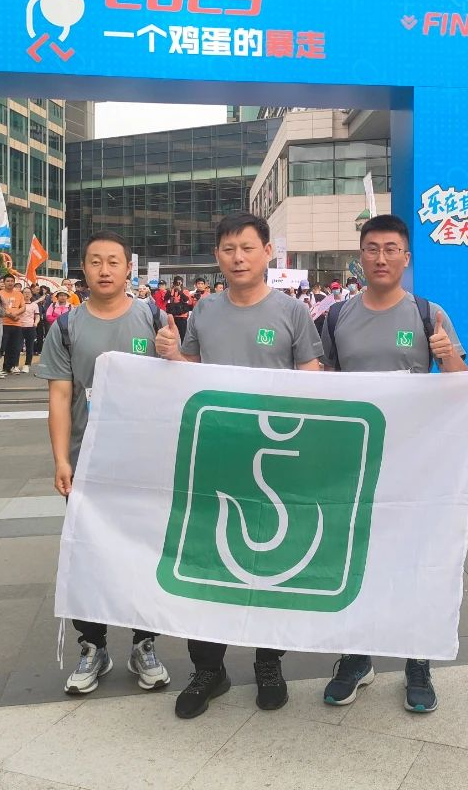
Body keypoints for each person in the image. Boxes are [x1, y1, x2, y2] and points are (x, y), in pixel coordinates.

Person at [156, 212, 323, 720]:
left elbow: (312, 376)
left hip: (274, 461)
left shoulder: (293, 312)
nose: (238, 257)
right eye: (228, 249)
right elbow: (189, 374)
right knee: (206, 561)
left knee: (270, 563)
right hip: (214, 456)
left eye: (247, 248)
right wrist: (171, 354)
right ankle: (208, 668)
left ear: (267, 252)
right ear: (217, 256)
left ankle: (268, 663)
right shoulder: (204, 310)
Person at [319, 214, 468, 714]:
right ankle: (356, 657)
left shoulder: (428, 314)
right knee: (354, 556)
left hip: (414, 464)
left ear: (406, 257)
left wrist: (447, 357)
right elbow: (321, 385)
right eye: (372, 249)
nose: (380, 258)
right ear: (359, 257)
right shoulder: (336, 317)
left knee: (413, 559)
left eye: (391, 249)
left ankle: (416, 661)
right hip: (353, 461)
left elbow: (464, 383)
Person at [34, 230, 172, 696]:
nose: (105, 270)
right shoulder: (67, 326)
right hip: (87, 462)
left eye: (114, 261)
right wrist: (60, 459)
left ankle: (143, 643)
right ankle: (93, 646)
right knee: (88, 554)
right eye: (96, 261)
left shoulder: (152, 317)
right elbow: (60, 396)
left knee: (144, 553)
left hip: (144, 463)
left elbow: (177, 379)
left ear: (129, 268)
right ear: (84, 268)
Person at [0, 275, 27, 375]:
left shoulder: (19, 294)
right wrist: (10, 315)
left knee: (14, 347)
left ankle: (11, 366)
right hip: (3, 323)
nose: (10, 283)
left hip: (17, 324)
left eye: (12, 281)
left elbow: (23, 307)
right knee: (2, 346)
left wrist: (16, 314)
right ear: (4, 282)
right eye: (8, 281)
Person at [16, 288, 40, 373]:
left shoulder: (34, 305)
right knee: (17, 347)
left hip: (30, 327)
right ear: (22, 294)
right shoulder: (19, 303)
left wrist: (36, 323)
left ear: (31, 294)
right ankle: (15, 365)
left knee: (29, 347)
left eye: (28, 292)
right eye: (25, 292)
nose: (27, 294)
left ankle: (27, 365)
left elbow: (37, 316)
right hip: (19, 326)